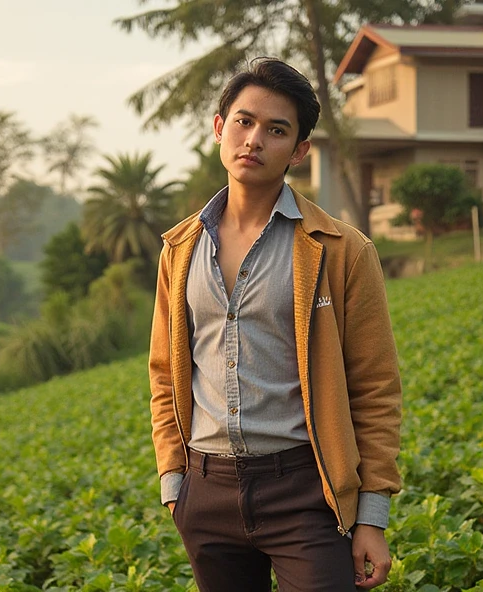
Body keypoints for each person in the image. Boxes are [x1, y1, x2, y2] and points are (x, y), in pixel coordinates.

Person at [148, 57, 402, 592]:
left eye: (276, 129)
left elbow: (376, 388)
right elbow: (165, 372)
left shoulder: (341, 250)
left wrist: (372, 517)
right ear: (220, 128)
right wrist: (175, 482)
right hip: (207, 491)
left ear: (300, 150)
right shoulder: (180, 249)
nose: (254, 139)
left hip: (307, 492)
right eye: (243, 121)